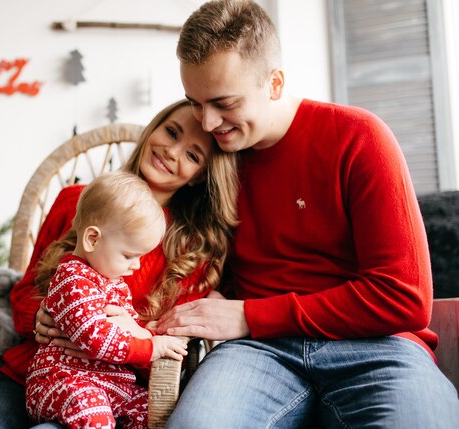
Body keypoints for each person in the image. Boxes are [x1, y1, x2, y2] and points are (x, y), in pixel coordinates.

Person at [153, 1, 459, 427]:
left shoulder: (359, 137)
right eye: (195, 102)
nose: (206, 122)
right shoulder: (212, 158)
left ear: (275, 83)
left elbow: (404, 299)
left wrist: (248, 314)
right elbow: (145, 236)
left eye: (223, 102)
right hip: (258, 352)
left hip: (377, 347)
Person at [0, 99, 238, 429]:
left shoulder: (192, 252)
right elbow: (24, 292)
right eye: (171, 132)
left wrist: (128, 331)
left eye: (192, 155)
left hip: (108, 392)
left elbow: (171, 351)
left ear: (199, 177)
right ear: (154, 127)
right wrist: (42, 317)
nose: (171, 151)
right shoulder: (75, 200)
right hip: (31, 372)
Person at [26, 171, 188, 428]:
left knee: (151, 413)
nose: (136, 266)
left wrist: (143, 333)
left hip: (109, 383)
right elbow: (95, 337)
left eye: (140, 257)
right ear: (92, 239)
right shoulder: (73, 280)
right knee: (93, 412)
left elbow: (128, 329)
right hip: (63, 381)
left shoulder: (114, 283)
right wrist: (151, 347)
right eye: (128, 255)